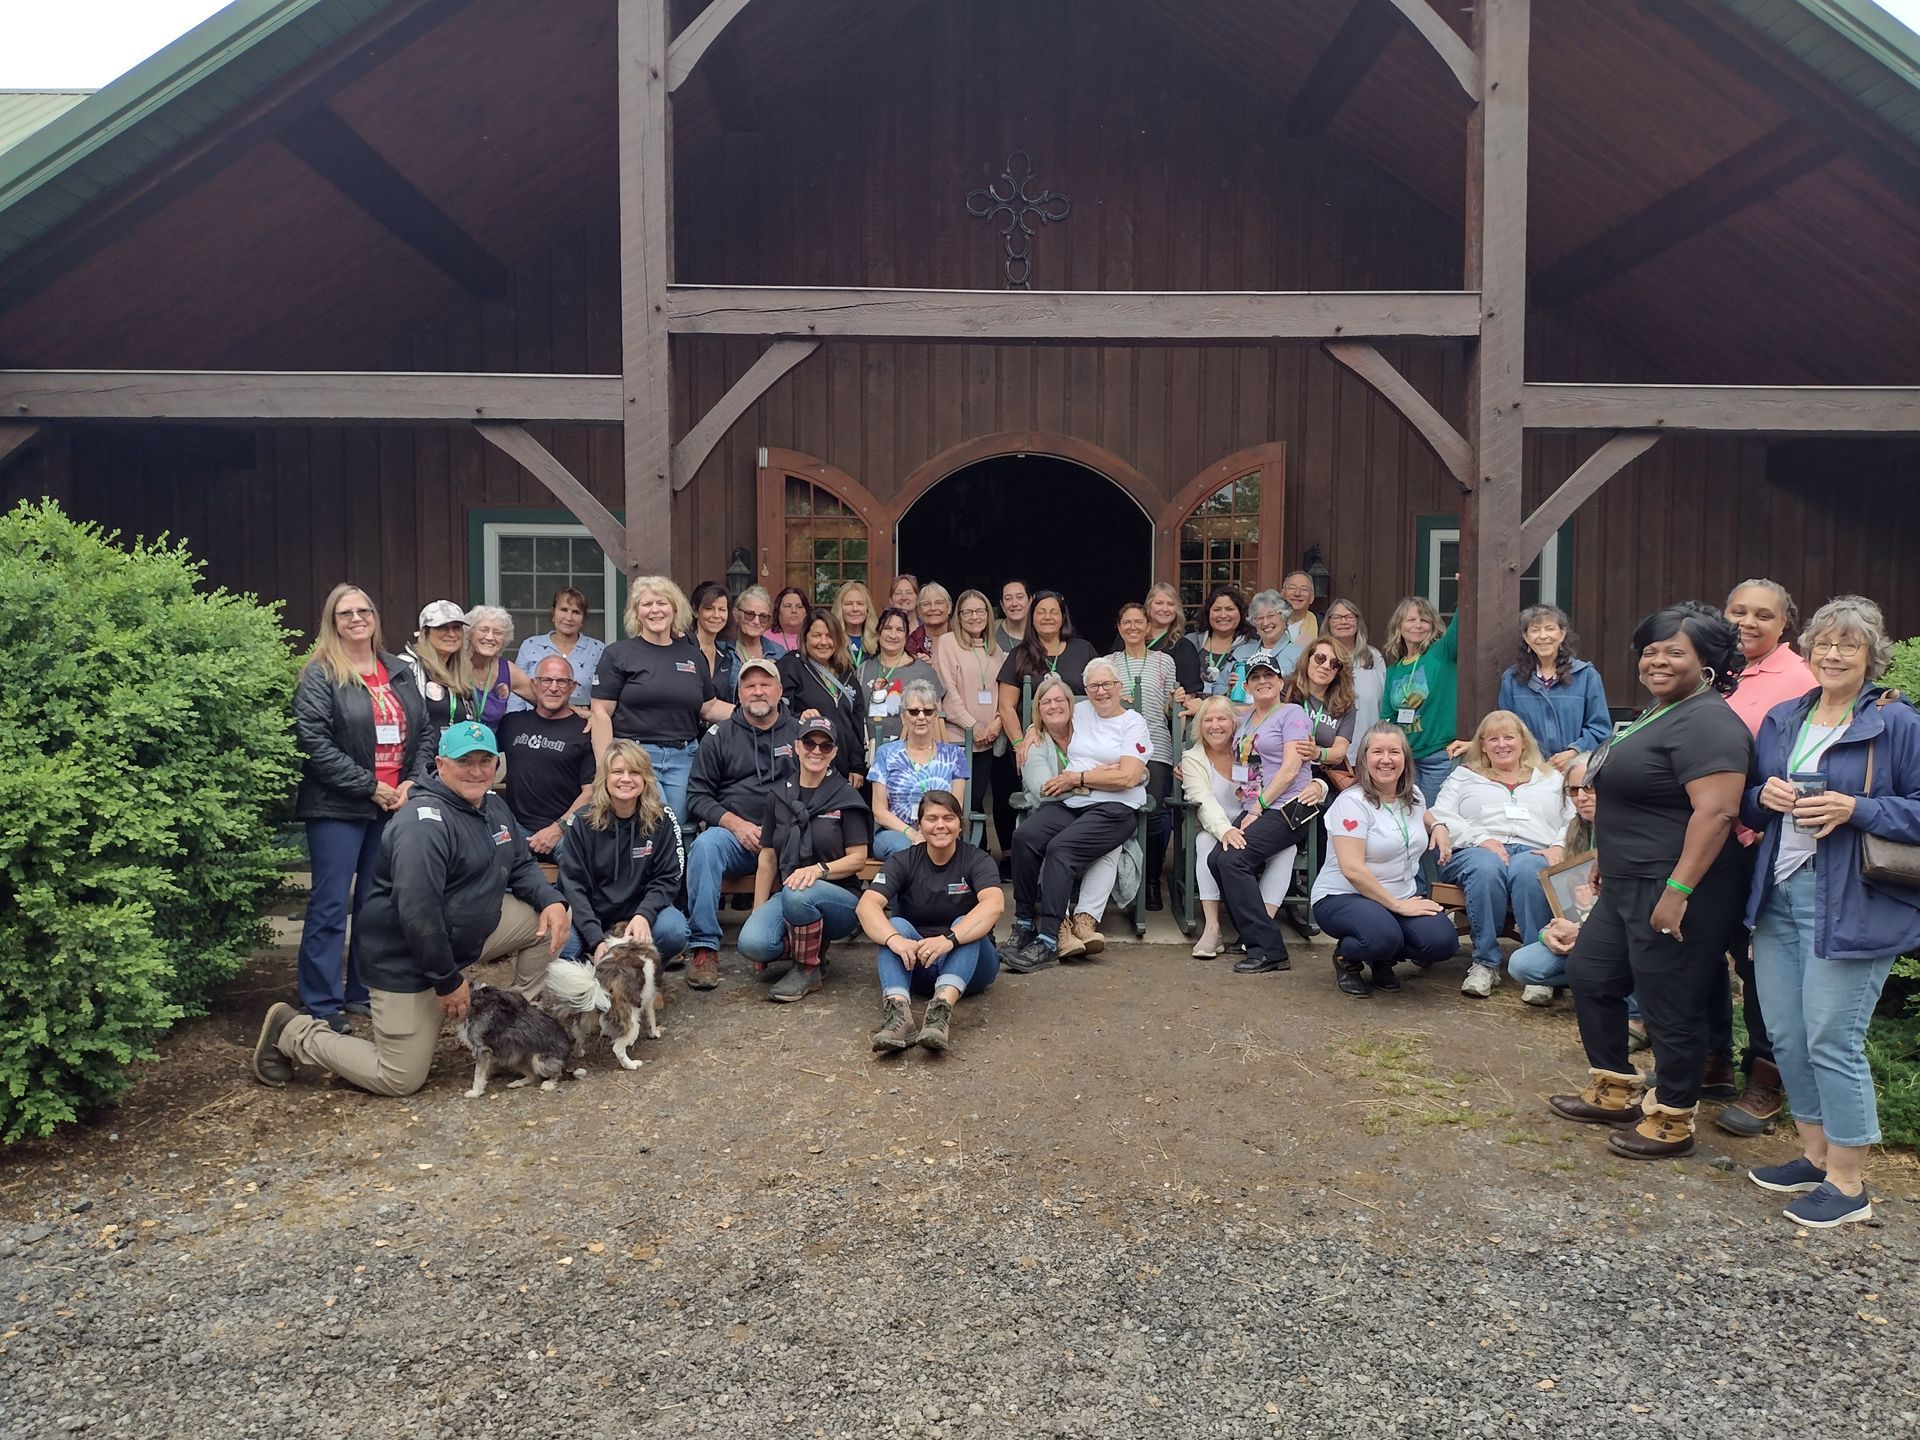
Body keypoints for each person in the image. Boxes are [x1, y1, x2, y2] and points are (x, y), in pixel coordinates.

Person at [251, 721, 572, 1097]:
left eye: (485, 760)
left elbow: (520, 864)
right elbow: (418, 916)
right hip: (407, 959)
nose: (476, 770)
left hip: (464, 936)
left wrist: (551, 900)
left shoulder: (493, 806)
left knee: (548, 922)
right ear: (440, 763)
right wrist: (447, 982)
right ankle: (293, 1031)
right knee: (399, 1077)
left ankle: (507, 1028)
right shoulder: (423, 825)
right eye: (464, 760)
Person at [1549, 604, 1753, 1160]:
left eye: (1674, 651)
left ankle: (1672, 1119)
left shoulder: (1709, 721)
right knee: (1591, 973)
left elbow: (1715, 814)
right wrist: (1604, 856)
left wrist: (1678, 892)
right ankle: (1615, 1089)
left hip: (1677, 887)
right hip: (1624, 878)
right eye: (1650, 650)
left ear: (1707, 663)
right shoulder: (1660, 712)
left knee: (1670, 1002)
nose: (1657, 660)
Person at [1741, 595, 1920, 1228]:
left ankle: (1849, 1185)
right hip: (1781, 893)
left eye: (1848, 644)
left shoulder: (1897, 724)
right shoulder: (1786, 718)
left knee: (1831, 1038)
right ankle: (1815, 1158)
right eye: (1823, 643)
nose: (1834, 653)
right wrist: (1763, 794)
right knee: (1787, 1033)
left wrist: (1856, 809)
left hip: (1854, 899)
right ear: (1808, 650)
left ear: (1871, 655)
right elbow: (1749, 805)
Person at [291, 584, 432, 1033]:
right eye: (345, 613)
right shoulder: (320, 674)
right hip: (339, 806)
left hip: (393, 804)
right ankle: (321, 1002)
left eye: (363, 610)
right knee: (331, 905)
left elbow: (425, 730)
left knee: (376, 904)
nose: (356, 619)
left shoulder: (398, 669)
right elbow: (314, 742)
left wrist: (411, 780)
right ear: (332, 622)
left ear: (375, 615)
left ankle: (360, 992)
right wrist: (369, 786)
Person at [1714, 578, 1815, 1134]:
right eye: (1738, 611)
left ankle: (1766, 1078)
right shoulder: (1713, 666)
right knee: (1701, 948)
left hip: (1758, 844)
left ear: (1784, 625)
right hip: (1705, 838)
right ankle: (1710, 1060)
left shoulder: (1798, 678)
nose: (1747, 623)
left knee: (1757, 965)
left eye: (1763, 615)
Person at [1007, 662, 1150, 969]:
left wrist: (1081, 778)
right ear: (1085, 692)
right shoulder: (1082, 711)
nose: (1101, 691)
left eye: (1107, 684)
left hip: (1115, 808)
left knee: (1061, 849)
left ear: (1119, 687)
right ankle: (1022, 923)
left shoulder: (1133, 723)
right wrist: (1032, 730)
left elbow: (1127, 778)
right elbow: (1051, 713)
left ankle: (1048, 939)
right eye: (1094, 686)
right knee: (1025, 837)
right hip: (1074, 804)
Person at [1430, 710, 1573, 998]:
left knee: (1529, 869)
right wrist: (1481, 838)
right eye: (1492, 739)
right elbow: (1441, 813)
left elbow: (1573, 816)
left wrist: (1558, 845)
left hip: (1535, 847)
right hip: (1474, 850)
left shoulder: (1550, 778)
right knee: (1486, 867)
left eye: (1509, 737)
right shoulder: (1464, 776)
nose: (1501, 744)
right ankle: (1485, 963)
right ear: (1482, 745)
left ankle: (1538, 969)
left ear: (1523, 741)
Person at [1311, 724, 1459, 997]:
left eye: (1394, 751)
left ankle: (1383, 959)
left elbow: (1421, 814)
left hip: (1398, 895)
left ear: (1405, 758)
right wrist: (1398, 906)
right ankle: (1349, 958)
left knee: (1443, 942)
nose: (1386, 759)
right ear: (1364, 759)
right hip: (1344, 895)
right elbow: (1352, 869)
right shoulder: (1352, 802)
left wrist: (1438, 825)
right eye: (1377, 751)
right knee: (1382, 936)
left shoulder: (1413, 795)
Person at [682, 657, 799, 990]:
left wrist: (784, 830)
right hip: (737, 838)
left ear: (779, 691)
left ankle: (799, 943)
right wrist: (735, 824)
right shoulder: (719, 736)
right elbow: (697, 795)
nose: (758, 691)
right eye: (750, 685)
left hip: (788, 838)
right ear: (739, 692)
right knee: (705, 846)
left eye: (765, 684)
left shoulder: (800, 733)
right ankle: (704, 948)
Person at [737, 714, 873, 1003]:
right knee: (753, 943)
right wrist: (758, 909)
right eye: (809, 743)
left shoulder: (846, 796)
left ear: (834, 753)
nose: (816, 751)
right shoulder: (778, 794)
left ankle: (807, 969)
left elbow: (858, 859)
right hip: (789, 890)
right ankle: (811, 946)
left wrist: (819, 870)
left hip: (838, 896)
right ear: (797, 746)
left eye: (825, 746)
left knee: (800, 893)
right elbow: (768, 857)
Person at [1208, 650, 1327, 974]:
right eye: (1256, 677)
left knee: (1234, 860)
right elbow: (1233, 754)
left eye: (1268, 676)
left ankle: (1270, 949)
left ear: (1280, 681)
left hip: (1288, 808)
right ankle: (1250, 934)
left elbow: (1290, 768)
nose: (1262, 682)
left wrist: (1258, 808)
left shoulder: (1292, 714)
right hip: (1254, 807)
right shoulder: (1246, 719)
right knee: (1215, 859)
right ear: (1247, 684)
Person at [860, 791, 1004, 1054]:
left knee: (964, 923)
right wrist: (895, 940)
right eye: (932, 818)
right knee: (897, 926)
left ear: (960, 824)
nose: (940, 825)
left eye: (949, 818)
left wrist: (949, 940)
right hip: (917, 962)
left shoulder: (976, 859)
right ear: (920, 825)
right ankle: (898, 1017)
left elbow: (994, 904)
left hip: (973, 967)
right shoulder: (902, 861)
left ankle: (940, 1013)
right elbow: (866, 905)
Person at [591, 575, 726, 827]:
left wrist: (753, 711)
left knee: (678, 825)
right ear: (636, 613)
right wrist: (606, 768)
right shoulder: (618, 654)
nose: (655, 610)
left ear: (674, 609)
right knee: (657, 821)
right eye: (646, 604)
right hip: (636, 756)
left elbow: (709, 706)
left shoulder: (692, 655)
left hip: (684, 757)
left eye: (662, 603)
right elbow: (600, 711)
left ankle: (672, 869)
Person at [1181, 695, 1295, 959]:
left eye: (1222, 718)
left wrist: (1318, 786)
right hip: (1218, 828)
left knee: (1286, 848)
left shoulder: (1251, 749)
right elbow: (1204, 801)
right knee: (1204, 843)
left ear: (1235, 723)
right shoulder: (1192, 759)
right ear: (1200, 726)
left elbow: (1287, 777)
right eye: (1207, 719)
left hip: (1257, 823)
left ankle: (1260, 925)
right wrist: (1225, 830)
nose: (1215, 725)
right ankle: (1212, 929)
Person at [556, 741, 689, 965]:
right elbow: (572, 886)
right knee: (563, 945)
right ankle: (595, 976)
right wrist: (596, 940)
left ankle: (648, 977)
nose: (626, 779)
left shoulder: (663, 818)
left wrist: (644, 915)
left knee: (674, 931)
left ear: (646, 779)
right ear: (605, 778)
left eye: (634, 772)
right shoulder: (581, 820)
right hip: (593, 915)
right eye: (617, 771)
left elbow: (667, 878)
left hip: (639, 912)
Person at [1507, 755, 1600, 1004]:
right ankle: (1589, 978)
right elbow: (1566, 904)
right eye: (1573, 790)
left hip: (1615, 935)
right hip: (1582, 930)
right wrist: (1547, 934)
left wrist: (1583, 931)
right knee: (1522, 964)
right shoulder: (1573, 831)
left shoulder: (1630, 831)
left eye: (1589, 787)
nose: (1581, 797)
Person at [1108, 601, 1181, 910]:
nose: (1133, 627)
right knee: (1117, 809)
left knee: (1153, 812)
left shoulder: (1165, 661)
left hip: (1156, 742)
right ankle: (1120, 877)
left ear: (1149, 627)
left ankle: (1151, 879)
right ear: (1119, 627)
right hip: (1119, 744)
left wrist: (1176, 700)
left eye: (1139, 622)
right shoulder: (1108, 662)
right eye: (1127, 622)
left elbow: (1167, 709)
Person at [933, 589, 1010, 859]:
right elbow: (947, 691)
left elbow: (1005, 691)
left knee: (976, 800)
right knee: (958, 802)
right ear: (958, 616)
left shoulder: (995, 649)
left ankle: (976, 855)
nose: (974, 617)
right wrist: (972, 726)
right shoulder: (946, 643)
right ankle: (959, 857)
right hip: (957, 739)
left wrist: (998, 724)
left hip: (987, 741)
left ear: (988, 615)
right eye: (967, 612)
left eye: (980, 611)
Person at [496, 655, 596, 857]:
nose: (553, 687)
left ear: (573, 686)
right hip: (516, 828)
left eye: (562, 681)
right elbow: (484, 762)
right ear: (534, 684)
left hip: (564, 831)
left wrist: (558, 828)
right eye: (546, 680)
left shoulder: (585, 730)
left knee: (581, 865)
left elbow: (591, 792)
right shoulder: (511, 723)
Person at [1496, 605, 1611, 771]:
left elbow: (1600, 728)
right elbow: (1505, 728)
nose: (1543, 636)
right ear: (1526, 637)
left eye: (1550, 629)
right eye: (1535, 630)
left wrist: (1573, 752)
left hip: (1575, 769)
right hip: (1528, 770)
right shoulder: (1512, 679)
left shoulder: (1586, 676)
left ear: (1562, 634)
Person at [869, 679, 970, 858]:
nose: (921, 717)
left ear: (936, 716)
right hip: (896, 833)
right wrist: (912, 833)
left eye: (928, 711)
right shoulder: (886, 754)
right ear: (903, 716)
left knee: (936, 847)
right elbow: (879, 811)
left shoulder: (954, 755)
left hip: (940, 831)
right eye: (914, 712)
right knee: (909, 850)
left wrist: (930, 833)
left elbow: (955, 806)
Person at [1379, 595, 1461, 803]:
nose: (1418, 625)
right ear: (1399, 625)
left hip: (1439, 757)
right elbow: (1387, 719)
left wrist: (1465, 588)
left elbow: (1461, 623)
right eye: (1411, 620)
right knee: (1407, 817)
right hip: (1405, 760)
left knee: (1431, 819)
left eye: (1424, 620)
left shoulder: (1441, 653)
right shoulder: (1394, 670)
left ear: (1433, 626)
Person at [779, 607, 869, 785]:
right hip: (806, 768)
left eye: (829, 636)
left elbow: (857, 723)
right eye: (816, 635)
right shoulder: (791, 666)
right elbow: (779, 711)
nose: (823, 642)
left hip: (842, 770)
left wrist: (857, 766)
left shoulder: (847, 673)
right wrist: (799, 717)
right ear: (805, 637)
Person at [997, 590, 1099, 744]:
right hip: (1034, 742)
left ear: (1063, 618)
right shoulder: (1019, 654)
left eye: (1054, 612)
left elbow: (1101, 687)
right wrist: (1019, 744)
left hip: (1082, 740)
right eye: (1041, 612)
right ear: (1032, 618)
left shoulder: (1083, 649)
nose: (1047, 617)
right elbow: (1006, 706)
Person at [858, 606, 945, 747]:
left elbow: (936, 718)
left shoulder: (923, 671)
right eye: (887, 628)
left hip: (911, 753)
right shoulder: (863, 669)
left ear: (906, 636)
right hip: (868, 751)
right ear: (878, 633)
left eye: (899, 630)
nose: (893, 635)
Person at [510, 587, 605, 711]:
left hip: (580, 722)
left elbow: (604, 695)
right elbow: (516, 691)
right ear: (553, 613)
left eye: (576, 612)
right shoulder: (531, 645)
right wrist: (516, 722)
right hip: (533, 722)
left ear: (583, 618)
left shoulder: (598, 650)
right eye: (564, 610)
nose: (569, 617)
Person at [1280, 638, 1359, 788]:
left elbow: (1339, 752)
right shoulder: (1285, 689)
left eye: (1335, 664)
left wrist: (1317, 753)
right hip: (1281, 769)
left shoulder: (1345, 705)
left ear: (1339, 672)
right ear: (1307, 659)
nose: (1326, 666)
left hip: (1320, 777)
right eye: (1320, 658)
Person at [1180, 585, 1259, 710]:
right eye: (1217, 609)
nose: (1223, 615)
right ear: (1208, 612)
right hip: (1189, 718)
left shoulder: (1253, 647)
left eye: (1229, 609)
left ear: (1241, 613)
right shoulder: (1190, 643)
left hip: (1233, 718)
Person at [407, 599, 474, 738]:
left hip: (456, 757)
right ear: (425, 632)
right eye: (443, 627)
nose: (451, 634)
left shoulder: (461, 671)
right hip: (422, 757)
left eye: (456, 627)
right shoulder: (409, 666)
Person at [463, 605, 533, 734]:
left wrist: (580, 714)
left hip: (490, 751)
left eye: (498, 632)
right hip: (453, 751)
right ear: (470, 632)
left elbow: (546, 700)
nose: (490, 637)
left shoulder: (508, 671)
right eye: (484, 630)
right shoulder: (454, 666)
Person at [1325, 599, 1386, 737]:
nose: (1343, 622)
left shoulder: (1374, 656)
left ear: (1358, 622)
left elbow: (1384, 701)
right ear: (1328, 623)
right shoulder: (1320, 657)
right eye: (1336, 617)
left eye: (1349, 617)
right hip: (1331, 746)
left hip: (1370, 739)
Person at [1144, 581, 1201, 698]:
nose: (1165, 609)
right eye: (1159, 603)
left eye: (1170, 604)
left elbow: (1190, 693)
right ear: (1149, 605)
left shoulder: (1184, 647)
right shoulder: (1131, 638)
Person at [689, 579, 741, 707]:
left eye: (722, 609)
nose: (717, 615)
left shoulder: (727, 656)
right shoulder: (683, 647)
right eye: (709, 608)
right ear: (696, 611)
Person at [1246, 589, 1304, 680]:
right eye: (1260, 618)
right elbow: (1220, 687)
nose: (1265, 623)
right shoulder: (1240, 652)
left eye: (1271, 616)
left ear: (1284, 619)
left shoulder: (1300, 655)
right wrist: (1229, 689)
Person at [731, 585, 787, 668]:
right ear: (735, 614)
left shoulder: (779, 653)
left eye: (763, 617)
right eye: (749, 614)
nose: (756, 622)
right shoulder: (723, 652)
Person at [833, 580, 877, 664]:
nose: (855, 609)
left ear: (867, 608)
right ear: (839, 608)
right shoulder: (831, 640)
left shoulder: (878, 640)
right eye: (848, 604)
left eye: (860, 603)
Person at [912, 581, 953, 658]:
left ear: (949, 607)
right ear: (919, 610)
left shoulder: (961, 638)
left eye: (939, 603)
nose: (933, 608)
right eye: (926, 604)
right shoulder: (912, 642)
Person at [1281, 572, 1320, 647]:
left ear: (1312, 598)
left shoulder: (1322, 626)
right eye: (1292, 588)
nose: (1297, 593)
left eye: (1304, 589)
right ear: (1282, 594)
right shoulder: (1268, 623)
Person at [994, 578, 1030, 657]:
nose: (1014, 603)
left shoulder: (1041, 630)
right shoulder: (991, 630)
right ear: (1002, 605)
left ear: (1030, 601)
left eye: (1020, 597)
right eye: (1008, 598)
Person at [770, 585, 811, 653]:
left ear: (806, 612)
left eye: (799, 607)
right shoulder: (765, 639)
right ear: (778, 611)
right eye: (788, 606)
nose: (794, 610)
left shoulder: (815, 637)